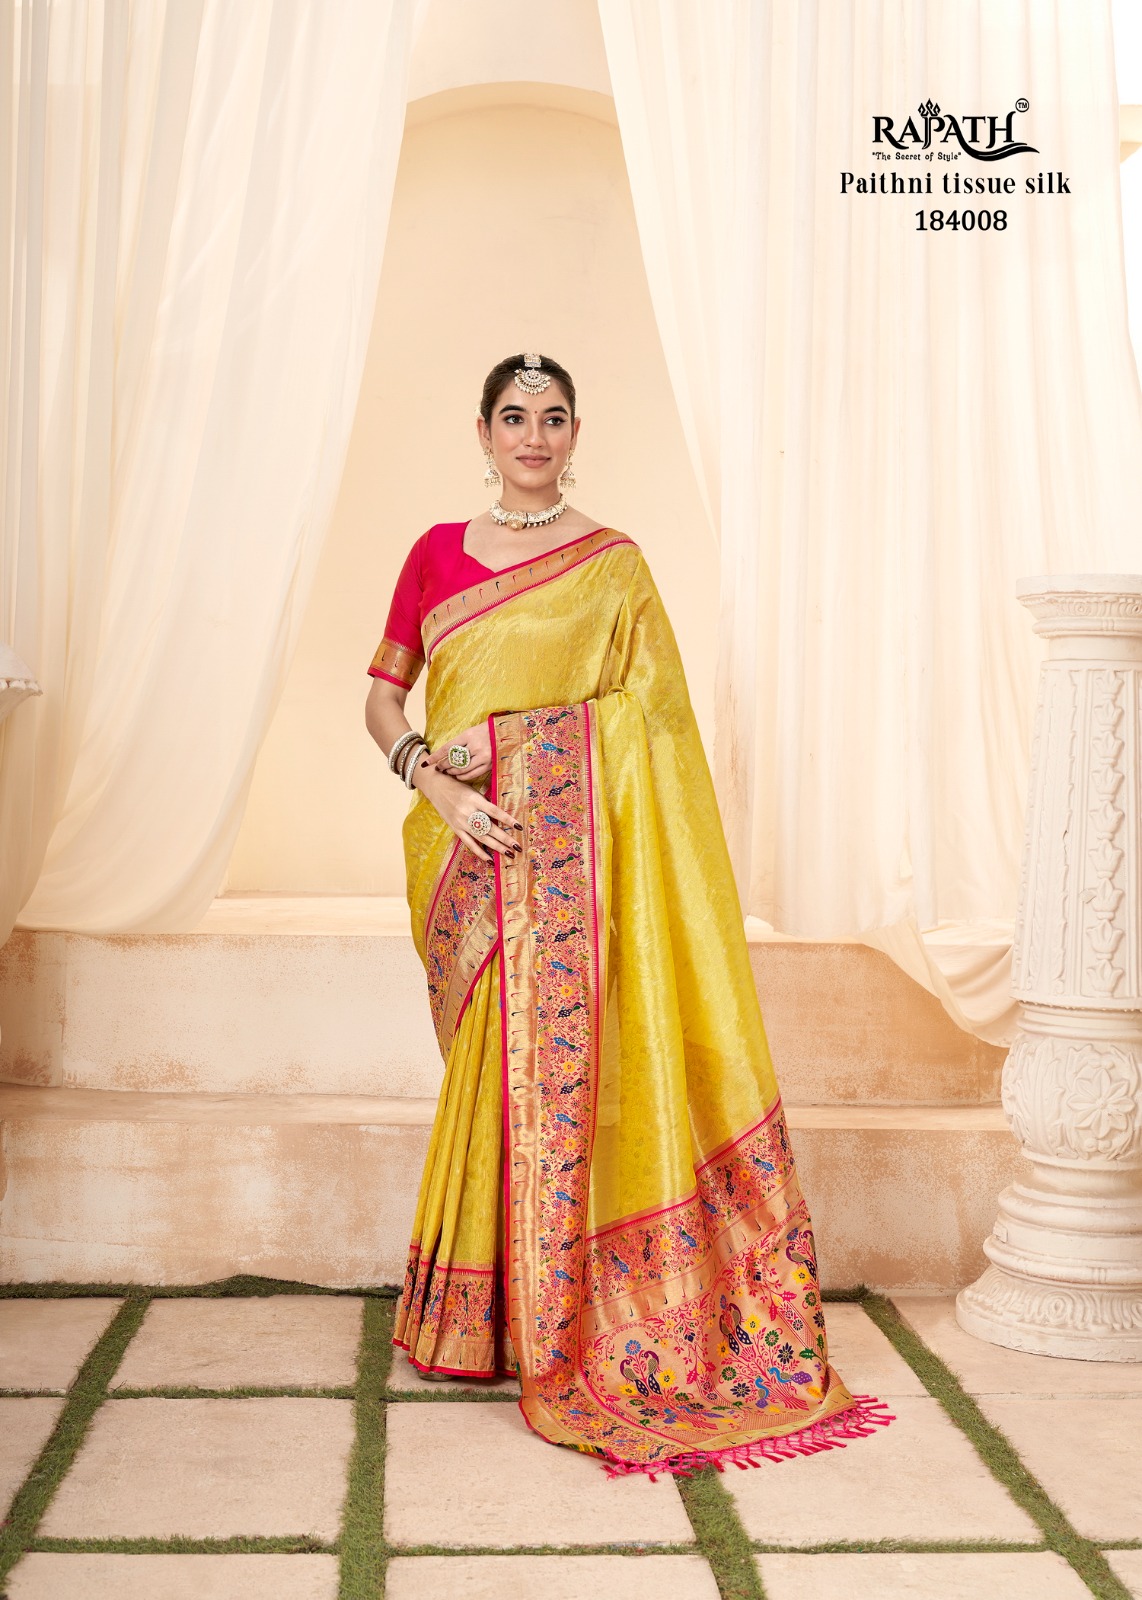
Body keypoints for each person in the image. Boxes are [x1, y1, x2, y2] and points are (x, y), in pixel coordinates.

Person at [364, 352, 890, 1477]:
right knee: (492, 1073)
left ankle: (557, 1321)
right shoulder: (434, 553)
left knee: (565, 1074)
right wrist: (434, 781)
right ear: (482, 430)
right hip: (468, 850)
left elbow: (653, 721)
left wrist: (508, 746)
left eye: (553, 418)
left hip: (573, 862)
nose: (534, 436)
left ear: (574, 432)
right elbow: (381, 699)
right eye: (515, 417)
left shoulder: (614, 565)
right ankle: (479, 1315)